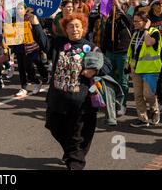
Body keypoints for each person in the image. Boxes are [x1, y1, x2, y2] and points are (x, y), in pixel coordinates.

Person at [45, 13, 112, 170]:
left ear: (83, 29)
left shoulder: (91, 47)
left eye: (77, 26)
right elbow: (43, 42)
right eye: (70, 26)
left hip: (80, 102)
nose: (74, 29)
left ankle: (75, 162)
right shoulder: (59, 44)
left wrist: (94, 71)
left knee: (76, 136)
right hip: (57, 100)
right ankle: (71, 152)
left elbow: (107, 66)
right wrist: (35, 23)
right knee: (53, 125)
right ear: (65, 29)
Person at [126, 11, 162, 127]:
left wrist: (146, 29)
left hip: (150, 69)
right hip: (136, 69)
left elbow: (148, 43)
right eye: (134, 21)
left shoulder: (154, 32)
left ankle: (155, 110)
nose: (134, 23)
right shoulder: (135, 33)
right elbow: (132, 50)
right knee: (138, 95)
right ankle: (143, 119)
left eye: (137, 21)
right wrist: (128, 63)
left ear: (146, 22)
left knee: (149, 95)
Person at [101, 0, 132, 116]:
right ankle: (112, 101)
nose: (114, 7)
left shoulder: (127, 18)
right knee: (110, 79)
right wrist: (103, 53)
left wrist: (118, 7)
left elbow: (129, 22)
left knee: (123, 81)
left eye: (117, 5)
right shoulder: (109, 19)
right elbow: (105, 37)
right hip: (110, 53)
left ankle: (122, 104)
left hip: (123, 54)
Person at [12, 3, 49, 97]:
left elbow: (38, 30)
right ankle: (23, 88)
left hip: (32, 47)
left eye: (21, 8)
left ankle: (39, 79)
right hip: (19, 47)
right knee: (21, 68)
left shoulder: (31, 18)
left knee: (30, 66)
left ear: (25, 10)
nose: (19, 11)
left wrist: (32, 26)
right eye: (17, 9)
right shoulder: (14, 19)